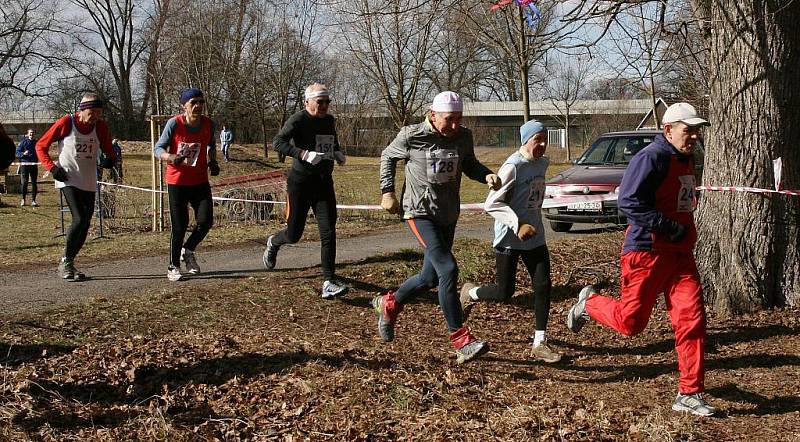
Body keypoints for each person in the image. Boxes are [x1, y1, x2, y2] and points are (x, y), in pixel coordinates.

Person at [566, 102, 716, 416]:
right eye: (688, 130)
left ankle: (690, 393)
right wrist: (668, 226)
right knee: (631, 323)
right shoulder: (651, 157)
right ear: (668, 130)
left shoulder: (687, 157)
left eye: (696, 130)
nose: (694, 136)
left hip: (680, 255)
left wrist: (684, 227)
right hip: (647, 253)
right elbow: (629, 202)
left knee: (692, 320)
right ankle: (589, 304)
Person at [373, 91, 502, 364]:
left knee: (430, 278)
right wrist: (387, 192)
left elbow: (469, 164)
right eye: (449, 119)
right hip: (419, 212)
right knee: (449, 269)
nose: (454, 125)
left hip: (447, 213)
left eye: (459, 119)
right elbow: (387, 156)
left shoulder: (463, 137)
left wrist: (486, 175)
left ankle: (390, 303)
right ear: (433, 115)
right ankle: (461, 340)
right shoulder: (412, 135)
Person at [460, 120, 561, 363]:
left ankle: (540, 342)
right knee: (505, 292)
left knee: (543, 285)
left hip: (535, 236)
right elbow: (491, 203)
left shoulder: (542, 163)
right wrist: (517, 224)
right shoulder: (512, 167)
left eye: (545, 138)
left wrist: (531, 222)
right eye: (538, 139)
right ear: (525, 140)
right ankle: (470, 292)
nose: (543, 144)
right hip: (509, 237)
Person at [263, 83, 349, 299]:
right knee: (294, 234)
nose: (324, 106)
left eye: (327, 102)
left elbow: (331, 141)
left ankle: (328, 281)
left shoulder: (329, 120)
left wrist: (337, 153)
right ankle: (274, 242)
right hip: (300, 184)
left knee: (329, 230)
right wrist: (302, 154)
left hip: (323, 183)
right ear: (307, 102)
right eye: (320, 102)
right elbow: (278, 142)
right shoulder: (298, 119)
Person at [36, 92, 117, 281]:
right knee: (79, 219)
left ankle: (69, 261)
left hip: (88, 180)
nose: (96, 117)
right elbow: (40, 146)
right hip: (67, 178)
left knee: (86, 223)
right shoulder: (67, 122)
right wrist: (52, 168)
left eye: (99, 113)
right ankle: (65, 262)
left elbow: (109, 150)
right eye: (93, 113)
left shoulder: (101, 127)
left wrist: (110, 160)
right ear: (83, 110)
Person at [153, 88, 220, 282]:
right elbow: (158, 148)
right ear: (185, 106)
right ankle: (173, 266)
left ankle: (188, 250)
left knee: (205, 221)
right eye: (194, 103)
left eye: (201, 102)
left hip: (199, 181)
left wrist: (212, 162)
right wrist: (171, 157)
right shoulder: (174, 123)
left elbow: (211, 145)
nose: (198, 106)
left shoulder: (208, 124)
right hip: (178, 182)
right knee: (179, 226)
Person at [16, 129, 39, 206]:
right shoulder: (23, 142)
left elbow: (40, 151)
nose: (31, 134)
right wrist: (23, 153)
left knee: (34, 183)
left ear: (34, 134)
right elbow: (17, 152)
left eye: (32, 133)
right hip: (25, 165)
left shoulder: (36, 143)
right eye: (30, 133)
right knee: (25, 183)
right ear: (27, 134)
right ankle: (23, 199)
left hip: (34, 165)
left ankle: (33, 200)